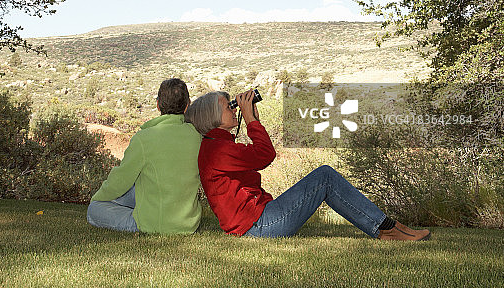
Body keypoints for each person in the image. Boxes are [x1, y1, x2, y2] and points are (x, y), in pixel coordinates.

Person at [184, 89, 431, 241]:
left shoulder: (217, 144)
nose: (232, 108)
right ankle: (385, 228)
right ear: (212, 117)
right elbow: (265, 155)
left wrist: (253, 120)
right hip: (257, 227)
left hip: (258, 221)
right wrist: (250, 122)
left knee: (324, 177)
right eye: (228, 106)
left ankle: (387, 226)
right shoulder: (217, 149)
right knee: (324, 177)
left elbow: (258, 156)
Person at [87, 78, 201, 234]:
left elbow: (120, 180)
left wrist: (98, 197)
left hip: (155, 224)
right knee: (134, 191)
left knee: (94, 209)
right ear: (187, 105)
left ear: (158, 104)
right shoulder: (195, 136)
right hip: (189, 224)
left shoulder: (144, 138)